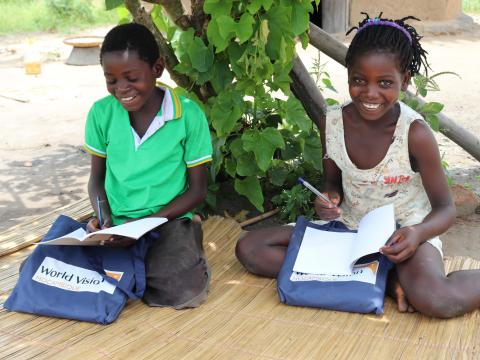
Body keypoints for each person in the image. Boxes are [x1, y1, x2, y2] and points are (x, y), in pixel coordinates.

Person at [236, 13, 480, 318]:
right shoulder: (332, 122)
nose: (370, 93)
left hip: (403, 235)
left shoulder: (414, 134)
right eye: (359, 80)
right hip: (349, 229)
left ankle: (370, 274)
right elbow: (332, 184)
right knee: (251, 249)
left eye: (385, 83)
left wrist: (417, 234)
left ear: (405, 81)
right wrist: (328, 199)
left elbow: (446, 209)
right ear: (348, 74)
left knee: (437, 300)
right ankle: (388, 280)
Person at [84, 23, 213, 309]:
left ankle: (188, 238)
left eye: (132, 78)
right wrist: (103, 219)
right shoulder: (101, 113)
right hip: (117, 223)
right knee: (52, 269)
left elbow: (198, 190)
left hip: (167, 219)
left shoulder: (188, 115)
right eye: (111, 80)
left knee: (182, 292)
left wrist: (146, 223)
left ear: (157, 68)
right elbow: (96, 180)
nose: (122, 89)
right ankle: (131, 269)